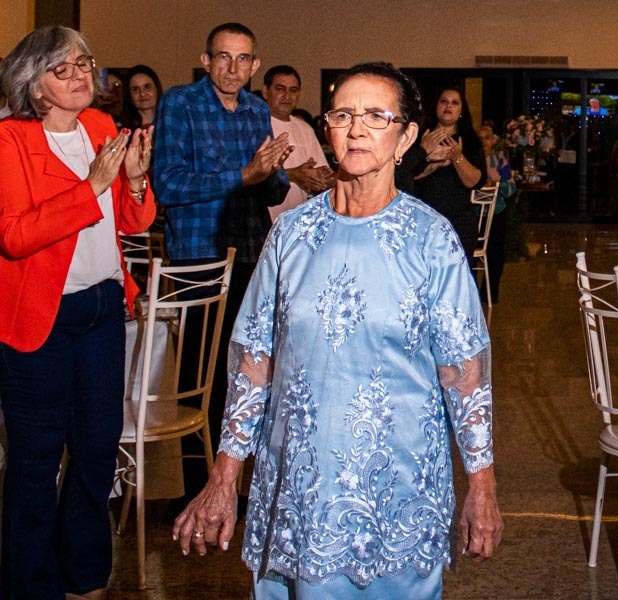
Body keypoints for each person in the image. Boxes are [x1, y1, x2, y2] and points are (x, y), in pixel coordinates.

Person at [172, 61, 502, 599]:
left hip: (399, 492)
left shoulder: (431, 239)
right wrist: (224, 477)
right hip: (299, 489)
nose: (356, 129)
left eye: (376, 115)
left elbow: (465, 375)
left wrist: (482, 485)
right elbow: (256, 363)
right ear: (325, 131)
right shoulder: (292, 236)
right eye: (343, 114)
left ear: (406, 137)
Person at [0, 25, 155, 599]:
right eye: (62, 68)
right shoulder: (9, 141)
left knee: (96, 449)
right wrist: (91, 186)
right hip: (39, 316)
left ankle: (84, 575)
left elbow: (134, 223)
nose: (80, 75)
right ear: (33, 85)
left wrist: (134, 183)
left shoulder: (101, 127)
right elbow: (15, 237)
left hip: (102, 310)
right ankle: (29, 584)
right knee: (36, 462)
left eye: (85, 63)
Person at [153, 22, 291, 466]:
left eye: (243, 59)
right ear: (206, 60)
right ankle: (194, 484)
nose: (233, 68)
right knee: (201, 376)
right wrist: (244, 175)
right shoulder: (180, 103)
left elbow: (273, 190)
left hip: (251, 251)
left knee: (247, 371)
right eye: (224, 57)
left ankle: (230, 480)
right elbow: (168, 184)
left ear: (255, 65)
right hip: (200, 254)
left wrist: (271, 173)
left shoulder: (254, 109)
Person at [414, 87, 487, 260]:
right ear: (436, 106)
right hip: (423, 219)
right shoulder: (421, 136)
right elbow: (405, 175)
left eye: (455, 102)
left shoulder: (469, 139)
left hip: (458, 221)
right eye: (444, 101)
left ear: (461, 110)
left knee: (457, 278)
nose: (449, 106)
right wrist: (429, 158)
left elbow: (476, 182)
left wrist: (457, 158)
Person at [261, 64, 334, 219]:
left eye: (293, 90)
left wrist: (326, 178)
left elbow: (321, 172)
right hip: (263, 221)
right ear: (266, 91)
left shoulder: (304, 128)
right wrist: (293, 175)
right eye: (280, 89)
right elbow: (248, 178)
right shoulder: (255, 125)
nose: (287, 96)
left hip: (297, 221)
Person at [478, 124, 515, 302]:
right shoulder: (470, 159)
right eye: (480, 137)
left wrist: (497, 182)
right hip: (474, 213)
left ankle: (490, 293)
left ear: (492, 140)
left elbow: (511, 188)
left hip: (496, 212)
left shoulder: (500, 161)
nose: (483, 141)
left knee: (495, 254)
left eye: (487, 137)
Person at [120, 64, 163, 131]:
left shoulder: (169, 124)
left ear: (157, 89)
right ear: (129, 96)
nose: (142, 94)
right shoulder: (122, 130)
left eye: (147, 87)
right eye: (135, 89)